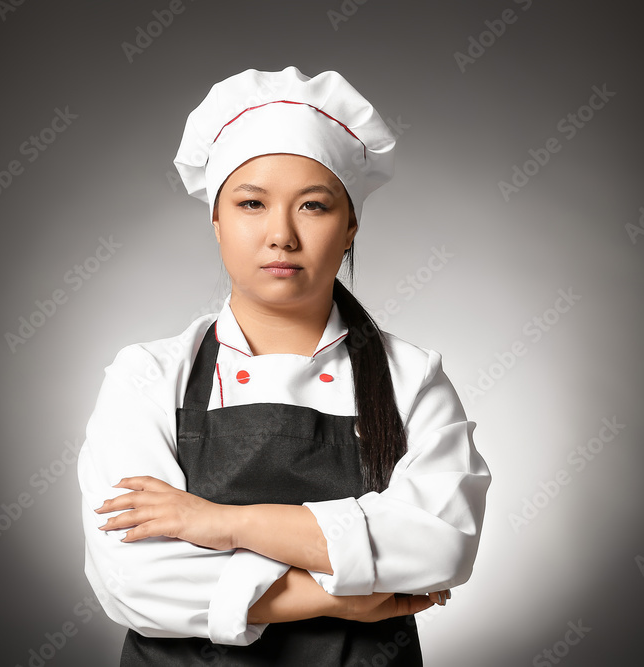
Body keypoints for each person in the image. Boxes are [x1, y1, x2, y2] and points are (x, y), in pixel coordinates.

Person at [77, 66, 491, 666]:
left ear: (349, 226)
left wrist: (218, 523)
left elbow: (439, 546)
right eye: (251, 203)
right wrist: (341, 597)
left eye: (314, 207)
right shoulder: (145, 375)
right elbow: (134, 581)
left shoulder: (413, 379)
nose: (281, 235)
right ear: (216, 220)